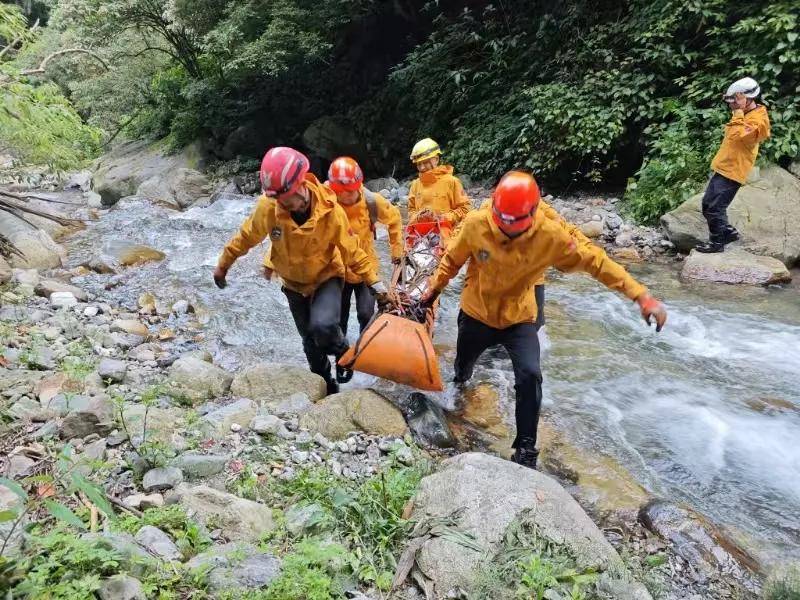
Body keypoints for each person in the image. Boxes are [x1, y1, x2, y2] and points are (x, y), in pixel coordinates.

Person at [421, 171, 667, 469]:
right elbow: (451, 261)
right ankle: (460, 392)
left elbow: (595, 261)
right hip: (477, 314)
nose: (508, 231)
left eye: (516, 226)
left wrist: (641, 296)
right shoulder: (476, 224)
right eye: (503, 224)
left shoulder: (550, 235)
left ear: (532, 214)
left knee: (530, 375)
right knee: (463, 368)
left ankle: (526, 450)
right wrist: (430, 293)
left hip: (519, 318)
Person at [212, 147, 393, 395]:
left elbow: (352, 250)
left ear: (300, 186)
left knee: (324, 326)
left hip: (327, 277)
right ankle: (328, 386)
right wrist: (224, 265)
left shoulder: (331, 210)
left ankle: (343, 352)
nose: (282, 204)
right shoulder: (269, 207)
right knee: (310, 344)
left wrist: (376, 284)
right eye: (277, 199)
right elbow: (246, 237)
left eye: (285, 197)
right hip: (293, 284)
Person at [326, 156, 404, 380]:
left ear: (358, 185)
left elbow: (396, 219)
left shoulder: (372, 201)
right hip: (337, 270)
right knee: (337, 319)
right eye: (340, 192)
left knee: (366, 313)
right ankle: (341, 359)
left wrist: (396, 252)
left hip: (365, 267)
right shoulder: (327, 200)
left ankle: (364, 354)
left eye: (349, 191)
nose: (345, 197)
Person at [696, 77, 770, 253]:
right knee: (707, 204)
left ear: (748, 99)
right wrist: (737, 107)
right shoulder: (745, 113)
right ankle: (728, 232)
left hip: (734, 170)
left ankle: (716, 244)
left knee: (715, 208)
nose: (732, 105)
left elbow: (739, 136)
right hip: (724, 166)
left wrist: (738, 112)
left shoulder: (758, 121)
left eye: (735, 101)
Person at [408, 137, 472, 225]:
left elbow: (465, 210)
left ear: (436, 159)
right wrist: (419, 217)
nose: (422, 167)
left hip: (447, 234)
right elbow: (411, 211)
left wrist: (441, 218)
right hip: (421, 235)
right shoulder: (415, 185)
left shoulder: (452, 182)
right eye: (419, 164)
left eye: (426, 162)